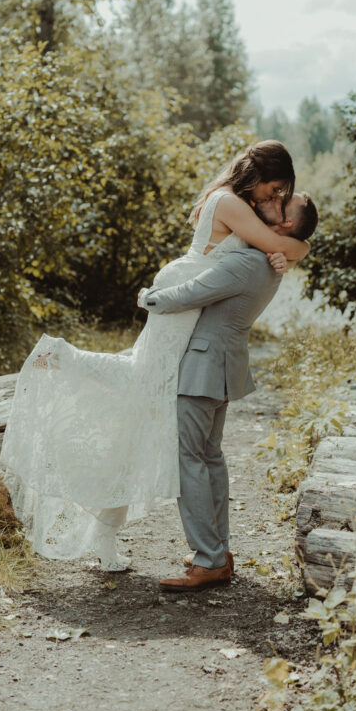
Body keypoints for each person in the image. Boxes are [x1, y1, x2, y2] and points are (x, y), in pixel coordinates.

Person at [0, 141, 309, 570]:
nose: (273, 199)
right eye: (273, 190)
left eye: (280, 196)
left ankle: (107, 537)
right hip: (181, 295)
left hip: (188, 297)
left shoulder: (235, 204)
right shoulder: (231, 202)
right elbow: (287, 245)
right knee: (141, 379)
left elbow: (282, 242)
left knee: (140, 402)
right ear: (256, 177)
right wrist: (298, 247)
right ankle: (60, 356)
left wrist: (291, 245)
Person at [138, 192, 319, 591]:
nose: (271, 201)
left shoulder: (246, 261)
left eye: (280, 202)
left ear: (286, 223)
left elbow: (190, 293)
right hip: (222, 365)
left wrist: (148, 297)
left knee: (189, 459)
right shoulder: (272, 262)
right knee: (209, 456)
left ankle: (208, 560)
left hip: (203, 367)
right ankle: (217, 552)